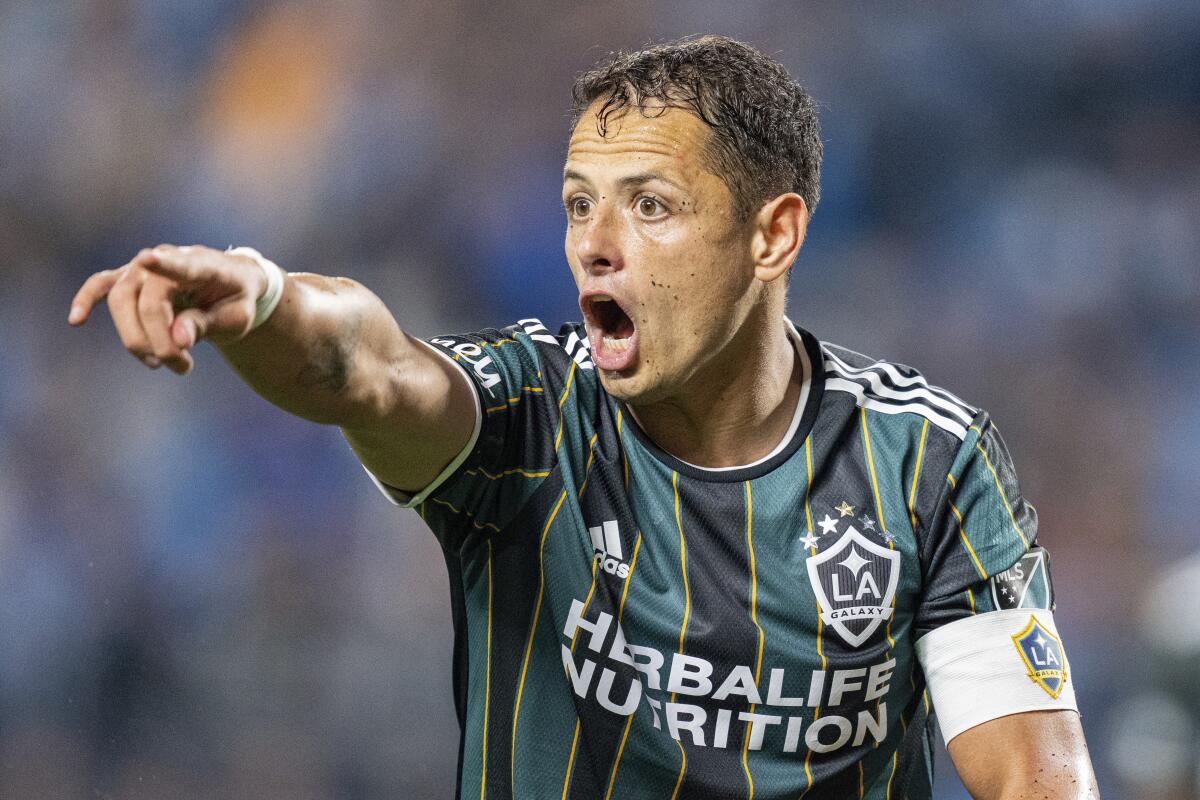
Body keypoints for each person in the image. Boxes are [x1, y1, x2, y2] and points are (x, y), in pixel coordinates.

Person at [69, 35, 1098, 800]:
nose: (593, 245)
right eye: (575, 203)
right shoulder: (534, 414)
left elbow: (1035, 776)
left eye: (649, 204)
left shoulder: (925, 459)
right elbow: (369, 368)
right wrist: (264, 293)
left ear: (772, 233)